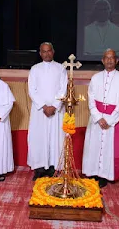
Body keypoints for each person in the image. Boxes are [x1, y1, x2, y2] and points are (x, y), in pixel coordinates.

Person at [82, 48, 119, 188]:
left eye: (112, 57)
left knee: (109, 147)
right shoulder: (95, 78)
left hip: (112, 120)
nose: (109, 60)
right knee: (94, 146)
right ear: (102, 60)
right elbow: (91, 99)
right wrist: (98, 117)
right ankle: (93, 172)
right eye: (106, 57)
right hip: (97, 118)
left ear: (116, 60)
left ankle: (105, 175)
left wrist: (110, 120)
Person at [27, 42, 68, 181]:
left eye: (49, 51)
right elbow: (32, 90)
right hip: (40, 111)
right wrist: (44, 107)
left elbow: (63, 89)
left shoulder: (61, 68)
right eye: (43, 51)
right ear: (40, 53)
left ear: (53, 52)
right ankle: (39, 168)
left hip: (56, 111)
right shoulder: (34, 69)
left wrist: (55, 106)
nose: (46, 54)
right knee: (39, 138)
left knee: (55, 138)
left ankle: (53, 167)